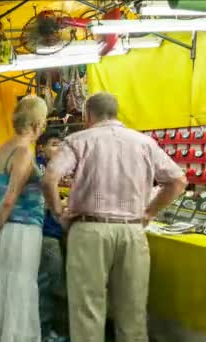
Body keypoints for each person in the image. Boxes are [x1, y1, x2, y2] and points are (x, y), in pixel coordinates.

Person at [42, 92, 187, 342]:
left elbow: (49, 178)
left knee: (88, 310)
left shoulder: (78, 140)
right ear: (116, 112)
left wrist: (58, 214)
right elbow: (178, 181)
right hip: (132, 231)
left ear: (88, 115)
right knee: (132, 310)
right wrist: (149, 212)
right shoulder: (144, 143)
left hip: (89, 230)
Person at [0, 96, 47, 341]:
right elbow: (10, 197)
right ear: (37, 123)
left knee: (1, 286)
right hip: (22, 231)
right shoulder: (25, 151)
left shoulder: (3, 148)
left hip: (4, 229)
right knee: (20, 289)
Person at [36, 130, 69, 342]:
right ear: (41, 147)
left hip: (48, 233)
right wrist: (62, 205)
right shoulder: (40, 170)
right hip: (46, 234)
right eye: (55, 144)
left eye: (61, 144)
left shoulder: (50, 169)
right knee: (48, 285)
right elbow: (43, 203)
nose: (60, 149)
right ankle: (44, 332)